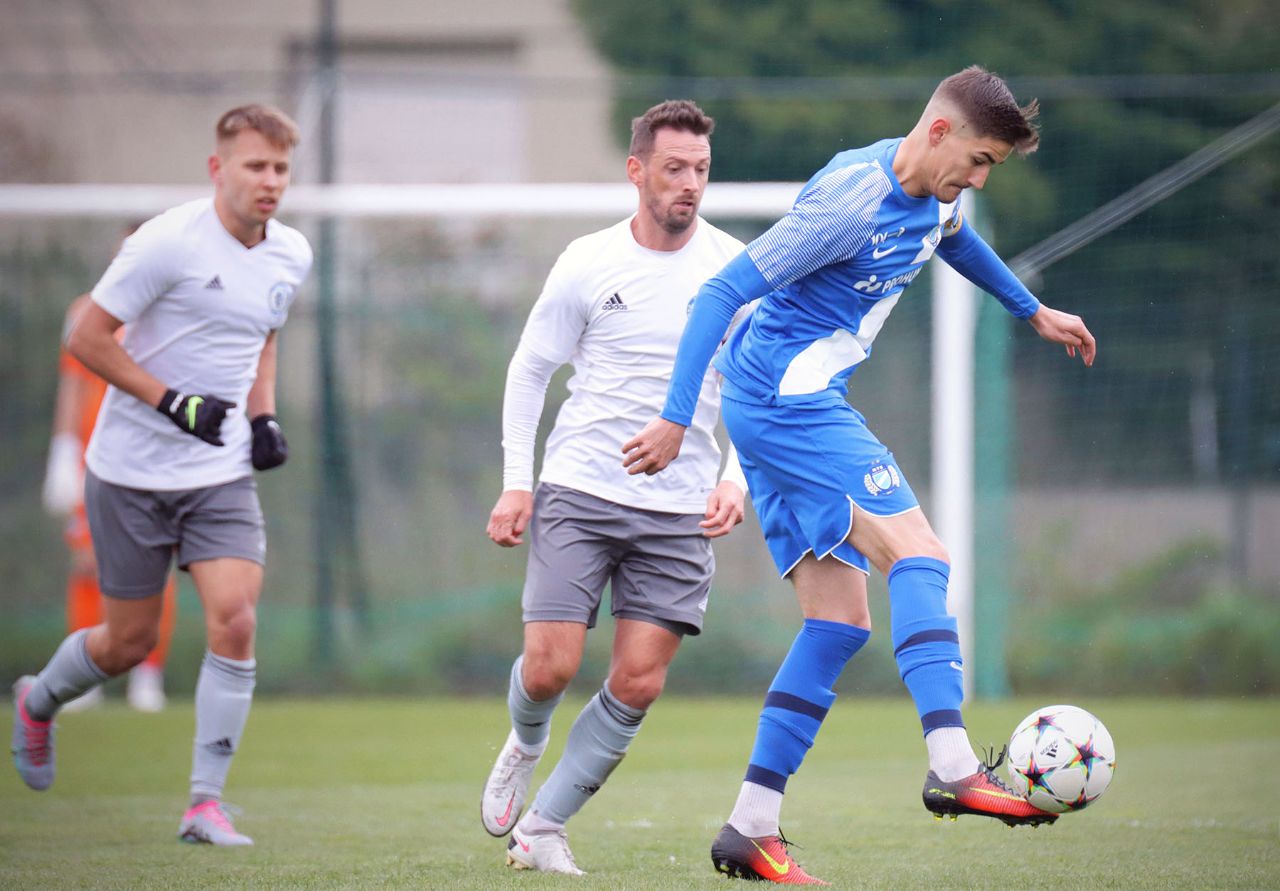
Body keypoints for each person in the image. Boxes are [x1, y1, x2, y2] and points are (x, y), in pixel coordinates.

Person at [622, 66, 1097, 884]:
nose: (979, 180)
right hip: (787, 401)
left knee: (838, 622)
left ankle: (749, 827)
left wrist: (1031, 309)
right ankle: (953, 765)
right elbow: (719, 293)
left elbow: (953, 234)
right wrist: (674, 415)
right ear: (939, 131)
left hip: (783, 400)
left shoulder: (936, 190)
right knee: (923, 556)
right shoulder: (850, 202)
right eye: (979, 160)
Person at [11, 103, 309, 848]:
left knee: (236, 618)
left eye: (280, 168)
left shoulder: (291, 253)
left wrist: (263, 417)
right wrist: (169, 400)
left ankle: (205, 804)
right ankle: (38, 702)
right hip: (129, 475)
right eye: (255, 166)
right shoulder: (165, 243)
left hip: (219, 473)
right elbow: (84, 336)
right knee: (125, 643)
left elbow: (263, 336)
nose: (270, 181)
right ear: (217, 168)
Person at [480, 99, 750, 876]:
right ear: (637, 171)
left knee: (638, 680)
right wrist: (516, 483)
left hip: (680, 509)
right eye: (674, 168)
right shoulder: (588, 259)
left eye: (701, 169)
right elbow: (531, 369)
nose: (690, 183)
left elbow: (757, 383)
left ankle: (544, 826)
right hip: (580, 490)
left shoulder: (735, 268)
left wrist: (735, 478)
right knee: (550, 668)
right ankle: (525, 739)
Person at [42, 264, 178, 714]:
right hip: (95, 457)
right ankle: (85, 677)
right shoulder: (86, 311)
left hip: (151, 458)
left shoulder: (173, 313)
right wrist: (63, 450)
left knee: (154, 563)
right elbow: (73, 385)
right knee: (88, 564)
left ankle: (147, 675)